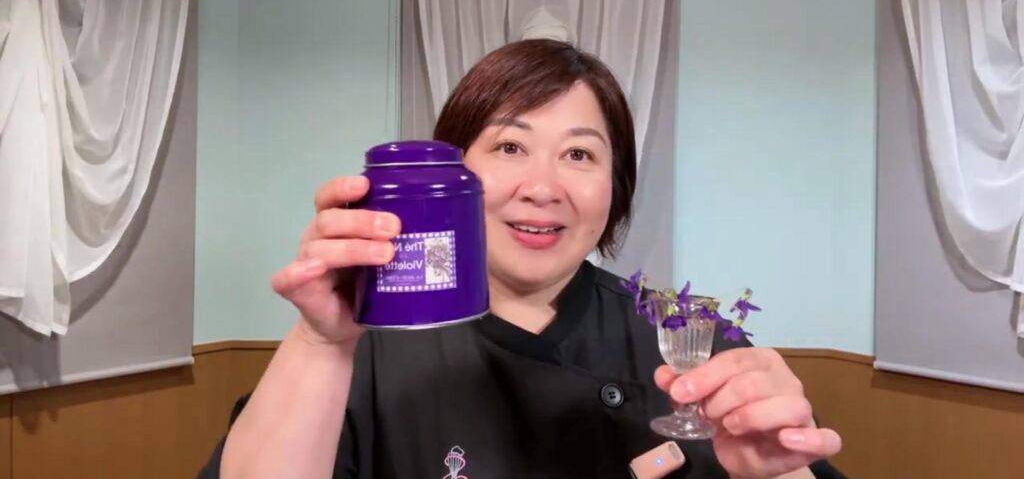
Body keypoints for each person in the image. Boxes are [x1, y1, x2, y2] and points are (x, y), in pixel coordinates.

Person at [198, 39, 844, 479]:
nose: (543, 187)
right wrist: (320, 342)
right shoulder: (362, 345)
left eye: (580, 154)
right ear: (452, 175)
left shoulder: (692, 342)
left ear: (616, 188)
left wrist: (774, 473)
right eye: (510, 147)